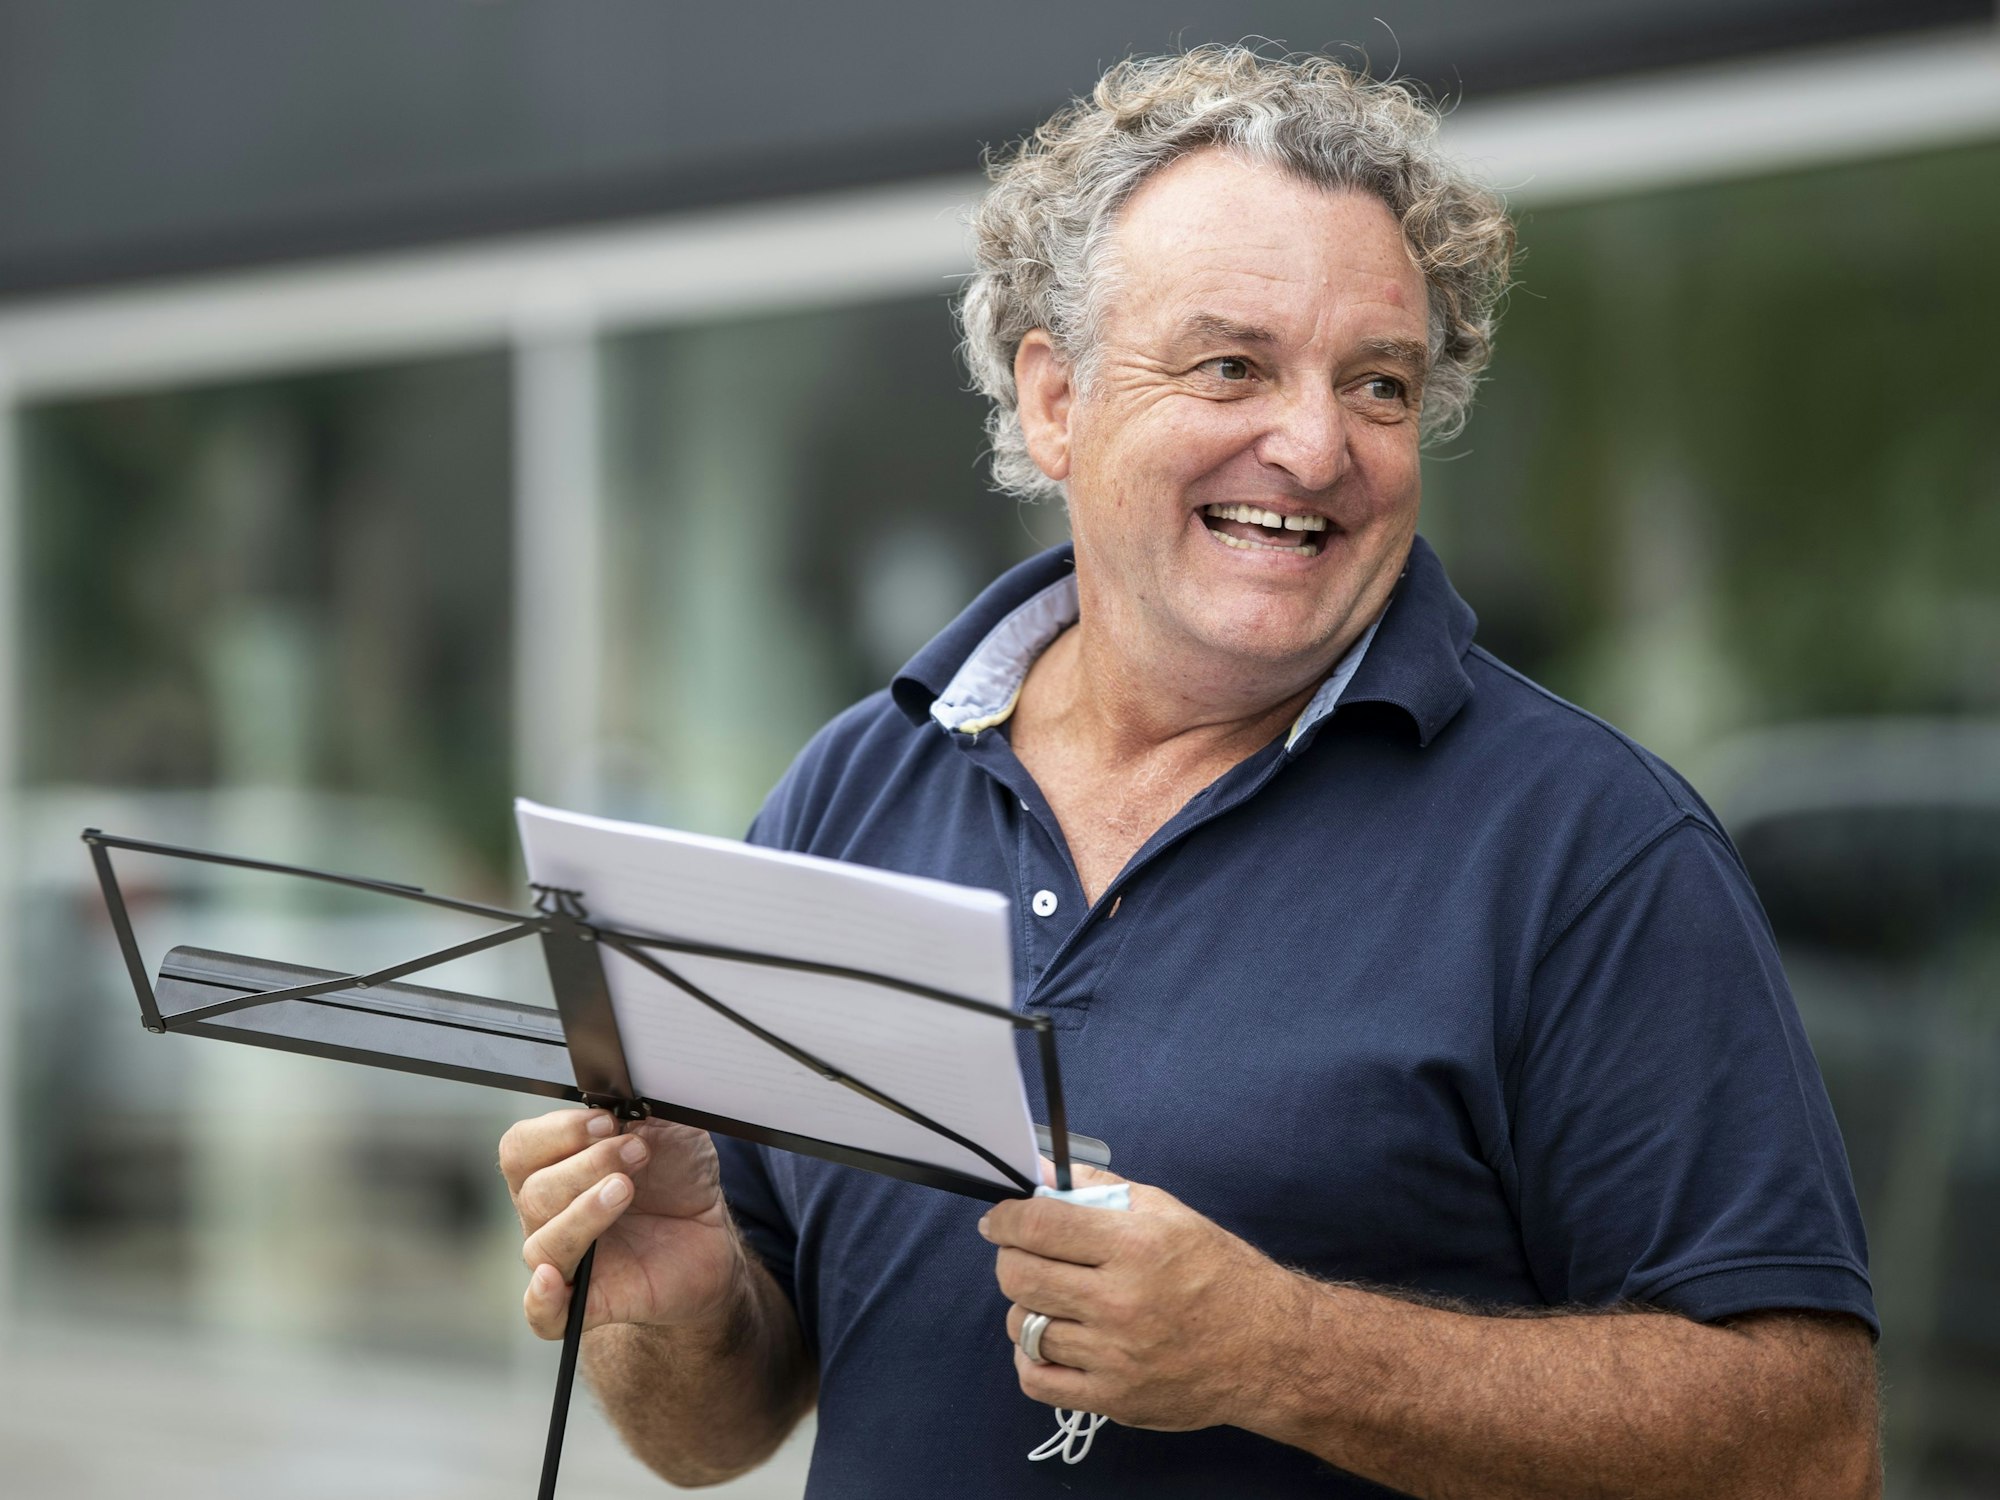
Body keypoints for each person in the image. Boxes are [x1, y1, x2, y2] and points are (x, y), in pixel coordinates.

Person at [497, 47, 1880, 1498]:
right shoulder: (855, 788)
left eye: (1380, 384)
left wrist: (1282, 1353)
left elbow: (1809, 1448)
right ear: (1055, 401)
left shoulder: (1589, 850)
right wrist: (671, 1295)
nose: (1314, 444)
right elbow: (715, 1430)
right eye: (1234, 365)